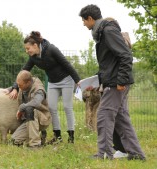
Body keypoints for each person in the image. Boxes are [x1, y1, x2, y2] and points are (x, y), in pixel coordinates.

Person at [79, 4, 146, 160]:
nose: (83, 24)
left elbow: (125, 56)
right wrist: (94, 80)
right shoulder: (103, 32)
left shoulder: (108, 31)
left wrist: (121, 80)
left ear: (90, 18)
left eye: (83, 21)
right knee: (121, 119)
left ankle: (104, 154)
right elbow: (110, 64)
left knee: (103, 116)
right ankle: (136, 155)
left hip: (117, 83)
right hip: (114, 80)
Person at [8, 31, 81, 144]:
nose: (27, 51)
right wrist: (15, 87)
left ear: (35, 45)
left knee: (67, 107)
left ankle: (71, 137)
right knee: (52, 108)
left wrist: (78, 80)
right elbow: (24, 71)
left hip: (66, 80)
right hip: (53, 82)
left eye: (28, 48)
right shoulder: (33, 57)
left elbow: (66, 64)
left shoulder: (51, 49)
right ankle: (58, 137)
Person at [9, 70, 51, 148]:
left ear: (28, 82)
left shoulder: (39, 89)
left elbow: (36, 103)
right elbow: (16, 87)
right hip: (29, 120)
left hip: (42, 118)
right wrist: (12, 89)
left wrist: (22, 107)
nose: (18, 87)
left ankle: (35, 145)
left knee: (30, 109)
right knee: (14, 141)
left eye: (20, 85)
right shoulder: (23, 84)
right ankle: (40, 139)